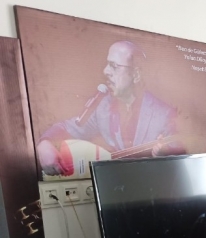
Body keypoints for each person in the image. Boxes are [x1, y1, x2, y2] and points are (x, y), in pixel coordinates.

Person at [37, 41, 185, 177]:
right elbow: (67, 128)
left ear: (136, 74)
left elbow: (180, 164)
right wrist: (45, 144)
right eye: (107, 65)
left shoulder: (164, 115)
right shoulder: (103, 108)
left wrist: (165, 157)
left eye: (113, 66)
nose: (105, 71)